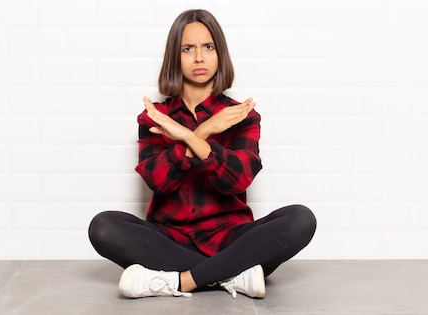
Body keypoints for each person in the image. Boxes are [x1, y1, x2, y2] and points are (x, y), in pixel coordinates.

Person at [88, 9, 316, 299]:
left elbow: (238, 180)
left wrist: (189, 136)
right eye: (188, 49)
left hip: (231, 239)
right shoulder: (155, 118)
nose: (199, 58)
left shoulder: (242, 116)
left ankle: (180, 282)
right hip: (168, 239)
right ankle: (231, 275)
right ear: (175, 57)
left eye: (208, 47)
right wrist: (201, 133)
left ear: (220, 54)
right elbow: (158, 181)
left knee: (300, 219)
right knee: (104, 227)